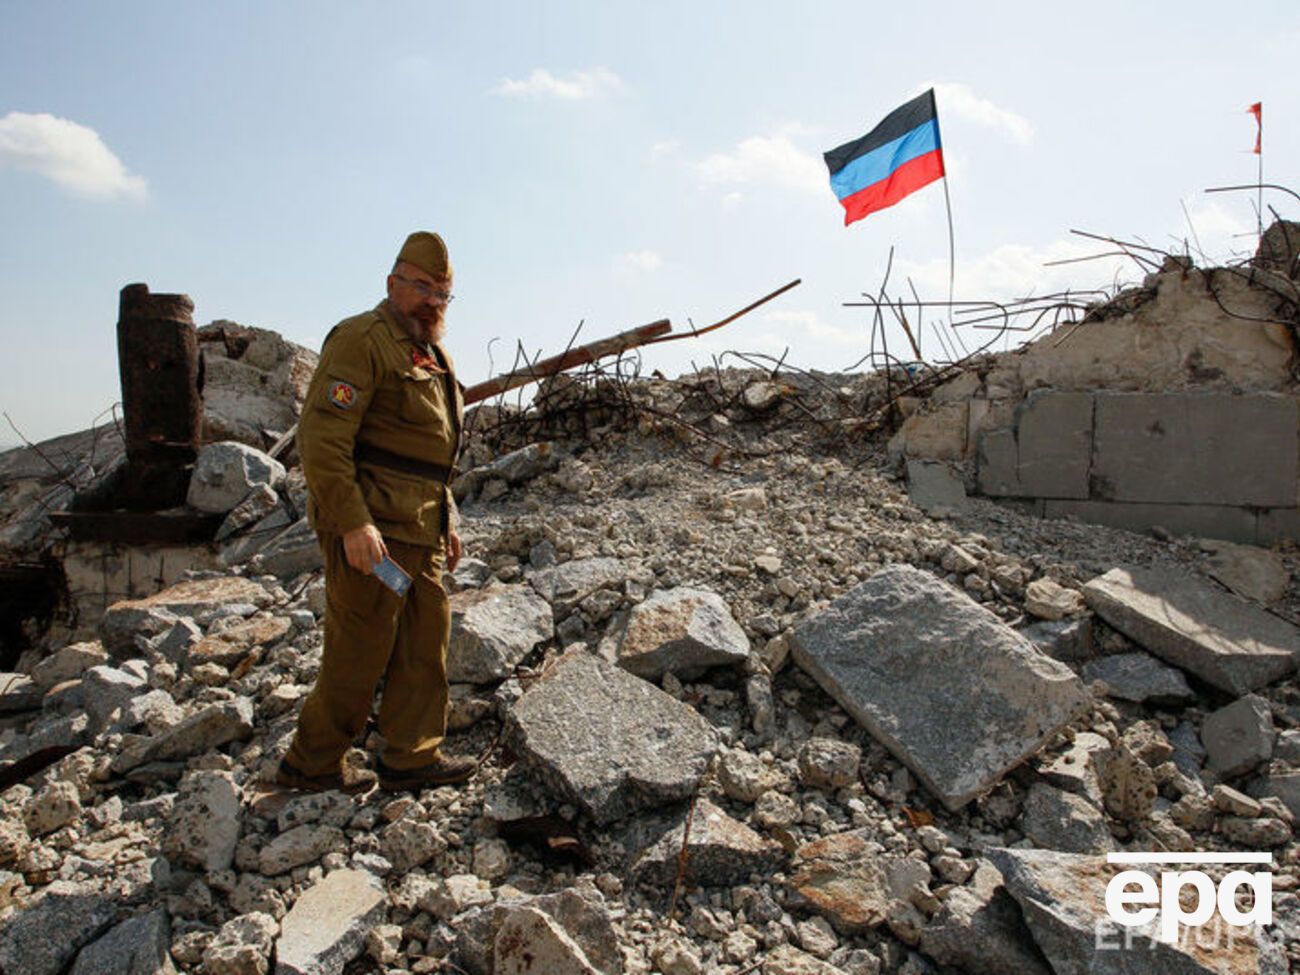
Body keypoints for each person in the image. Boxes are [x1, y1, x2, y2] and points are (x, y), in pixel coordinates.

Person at [277, 231, 476, 793]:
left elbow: (432, 455)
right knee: (359, 649)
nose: (432, 300)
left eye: (442, 293)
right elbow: (322, 438)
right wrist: (352, 522)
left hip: (422, 531)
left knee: (423, 645)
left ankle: (411, 757)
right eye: (421, 287)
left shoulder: (432, 355)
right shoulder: (360, 339)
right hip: (377, 534)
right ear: (393, 283)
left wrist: (450, 518)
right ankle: (310, 765)